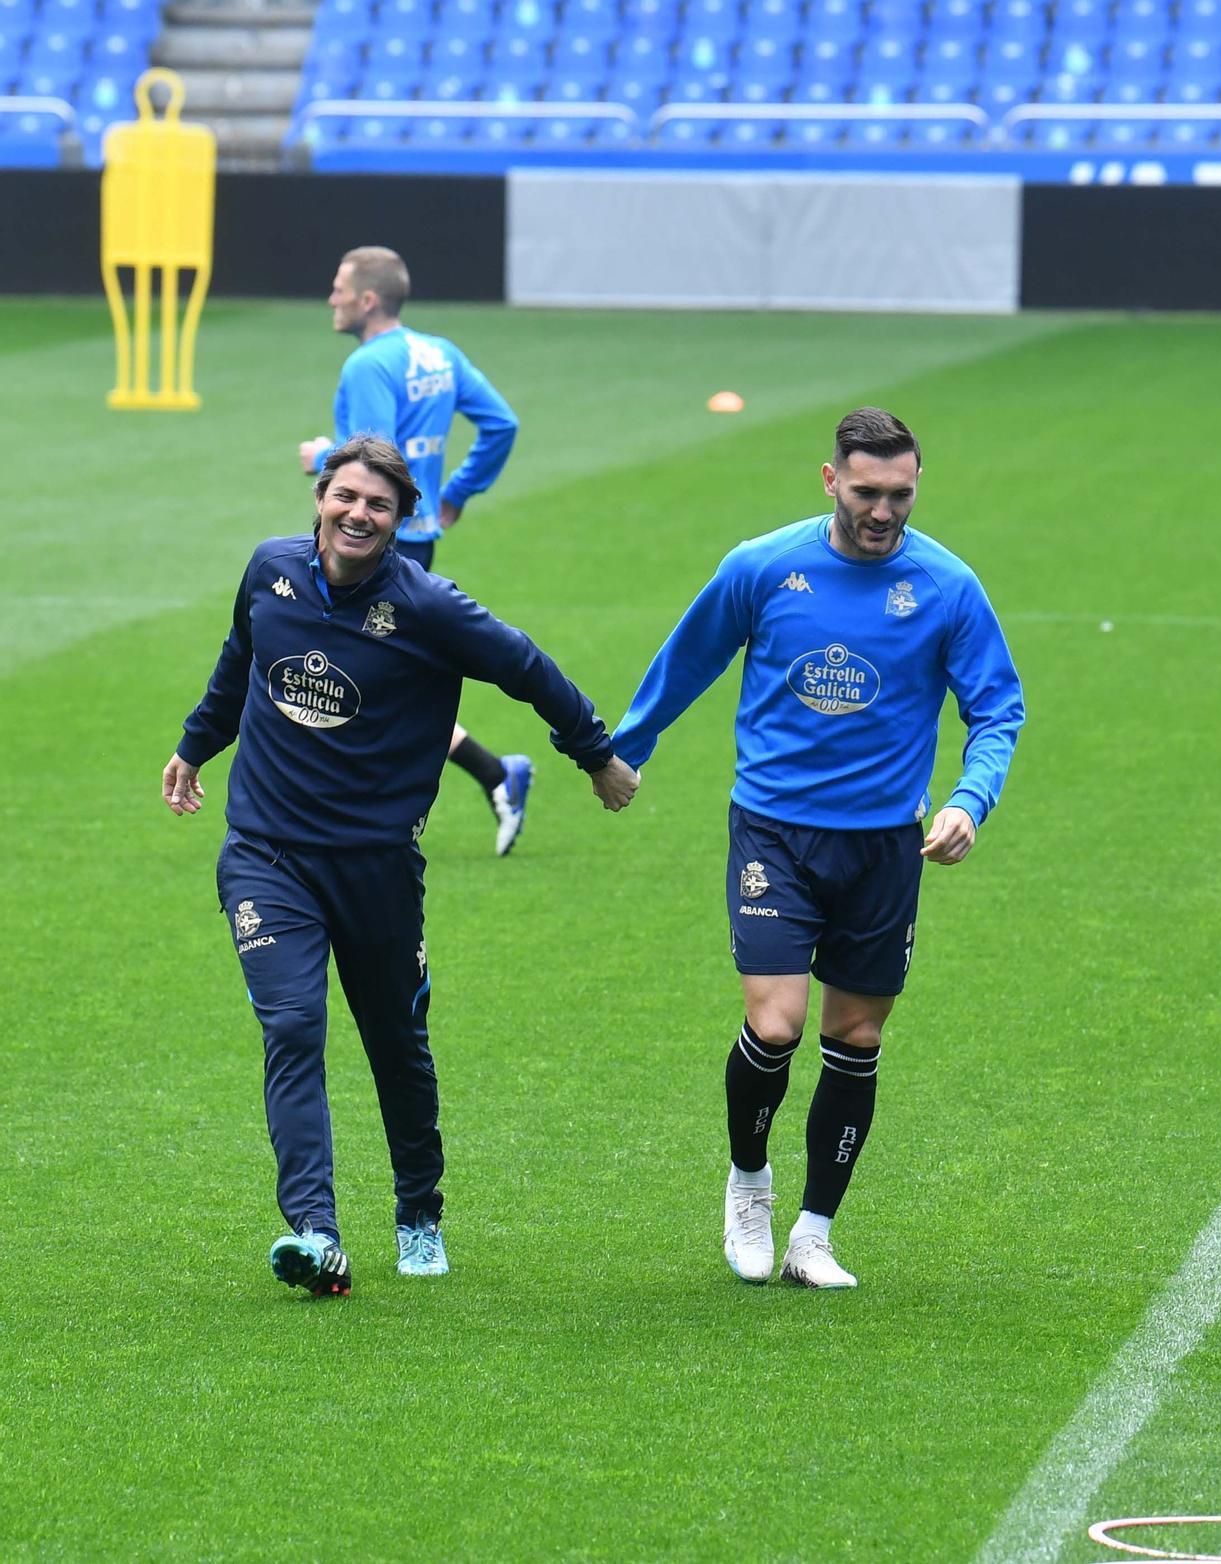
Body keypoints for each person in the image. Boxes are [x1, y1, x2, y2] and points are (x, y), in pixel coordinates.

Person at [164, 434, 641, 1296]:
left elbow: (526, 666)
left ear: (400, 520)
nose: (358, 514)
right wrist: (196, 747)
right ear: (320, 496)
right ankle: (315, 1231)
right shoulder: (268, 571)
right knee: (292, 1027)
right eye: (345, 496)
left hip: (376, 869)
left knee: (396, 1045)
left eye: (378, 505)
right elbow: (242, 659)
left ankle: (419, 1209)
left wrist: (597, 754)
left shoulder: (428, 608)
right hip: (266, 856)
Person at [609, 408, 1025, 1289]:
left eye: (900, 495)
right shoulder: (762, 566)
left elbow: (997, 708)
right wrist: (625, 751)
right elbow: (690, 659)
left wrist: (968, 800)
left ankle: (813, 1233)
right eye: (867, 492)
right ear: (830, 479)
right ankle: (751, 1187)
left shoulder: (947, 586)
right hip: (774, 830)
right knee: (776, 1023)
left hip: (883, 846)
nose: (884, 511)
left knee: (857, 1035)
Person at [297, 245, 536, 857]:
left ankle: (368, 808)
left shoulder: (368, 366)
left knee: (349, 676)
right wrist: (455, 492)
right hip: (417, 535)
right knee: (376, 675)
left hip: (371, 542)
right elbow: (501, 423)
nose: (332, 298)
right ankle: (493, 777)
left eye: (339, 288)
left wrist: (325, 458)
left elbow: (372, 456)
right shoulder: (439, 353)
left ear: (367, 300)